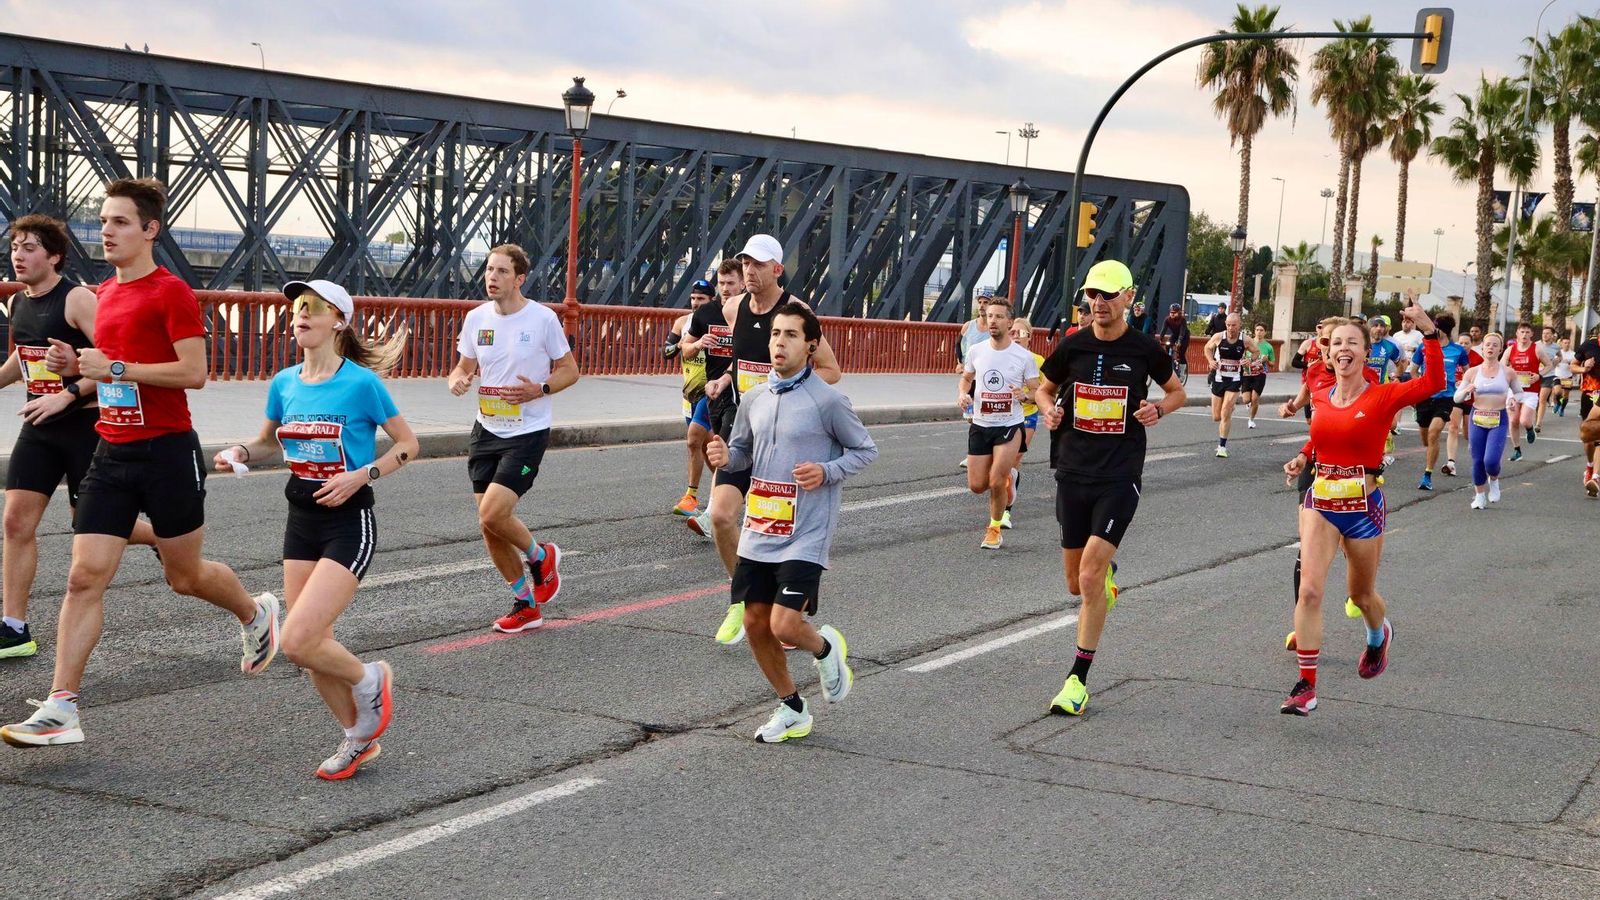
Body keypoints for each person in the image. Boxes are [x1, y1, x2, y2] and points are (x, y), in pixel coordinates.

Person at [1, 178, 279, 748]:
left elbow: (194, 373)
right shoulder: (104, 295)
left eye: (120, 222)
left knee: (185, 576)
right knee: (83, 576)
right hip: (110, 449)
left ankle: (255, 613)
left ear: (150, 230)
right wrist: (73, 365)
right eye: (103, 221)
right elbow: (99, 368)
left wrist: (116, 370)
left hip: (167, 450)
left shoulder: (169, 291)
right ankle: (62, 707)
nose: (106, 230)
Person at [216, 279, 418, 780]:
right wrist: (241, 452)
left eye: (314, 309)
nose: (301, 316)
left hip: (349, 520)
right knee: (311, 647)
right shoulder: (284, 383)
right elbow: (266, 443)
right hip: (301, 518)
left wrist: (361, 474)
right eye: (297, 308)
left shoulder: (361, 384)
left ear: (339, 322)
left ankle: (371, 678)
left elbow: (409, 444)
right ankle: (357, 738)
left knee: (301, 639)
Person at [703, 301, 876, 743]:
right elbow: (744, 452)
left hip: (806, 531)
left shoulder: (828, 400)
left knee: (783, 625)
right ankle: (792, 708)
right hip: (761, 527)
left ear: (811, 345)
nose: (779, 342)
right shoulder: (756, 396)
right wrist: (726, 457)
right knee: (755, 624)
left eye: (791, 335)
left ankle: (824, 647)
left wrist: (826, 471)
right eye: (775, 334)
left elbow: (865, 450)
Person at [1, 215, 158, 659]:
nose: (19, 255)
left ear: (53, 256)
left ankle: (166, 540)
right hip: (40, 425)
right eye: (15, 247)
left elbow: (114, 359)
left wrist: (67, 395)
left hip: (85, 426)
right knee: (15, 522)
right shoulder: (19, 304)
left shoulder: (76, 299)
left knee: (93, 523)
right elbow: (24, 358)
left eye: (30, 247)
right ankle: (14, 627)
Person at [1278, 300, 1443, 716]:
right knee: (1311, 589)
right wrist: (1304, 455)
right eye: (1336, 343)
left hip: (1363, 505)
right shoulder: (1318, 388)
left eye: (1353, 341)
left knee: (1361, 594)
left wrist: (1429, 333)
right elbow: (1326, 433)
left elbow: (1434, 382)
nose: (1343, 348)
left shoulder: (1384, 395)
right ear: (1328, 352)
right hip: (1321, 499)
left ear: (1366, 352)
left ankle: (1377, 635)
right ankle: (1306, 686)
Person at [1035, 260, 1185, 716]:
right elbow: (1044, 389)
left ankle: (1077, 680)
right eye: (1091, 296)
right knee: (1074, 585)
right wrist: (1049, 411)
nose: (1097, 303)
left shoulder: (1144, 348)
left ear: (1128, 298)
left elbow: (1176, 391)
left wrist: (1159, 410)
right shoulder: (1073, 345)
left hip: (1119, 474)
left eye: (1107, 295)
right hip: (1073, 471)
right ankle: (1106, 577)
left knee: (1088, 575)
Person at [699, 235, 843, 646]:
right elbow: (742, 357)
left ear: (777, 269)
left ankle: (786, 611)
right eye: (745, 262)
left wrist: (790, 392)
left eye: (758, 264)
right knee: (722, 515)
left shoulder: (797, 313)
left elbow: (831, 371)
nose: (749, 270)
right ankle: (740, 600)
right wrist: (728, 377)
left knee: (781, 528)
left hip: (784, 439)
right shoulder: (732, 307)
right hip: (744, 432)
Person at [447, 244, 578, 633]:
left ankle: (541, 556)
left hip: (527, 431)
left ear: (520, 278)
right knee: (489, 526)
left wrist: (541, 388)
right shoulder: (475, 319)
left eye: (502, 271)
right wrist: (458, 380)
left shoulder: (542, 319)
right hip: (486, 427)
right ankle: (525, 603)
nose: (492, 277)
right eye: (489, 270)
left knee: (492, 512)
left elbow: (570, 371)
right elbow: (463, 366)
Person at [960, 297, 1040, 548]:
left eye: (998, 317)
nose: (992, 320)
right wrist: (962, 393)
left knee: (996, 480)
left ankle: (994, 529)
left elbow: (1038, 392)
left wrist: (1025, 395)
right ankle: (1005, 480)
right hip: (981, 424)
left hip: (1009, 425)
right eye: (989, 316)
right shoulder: (976, 351)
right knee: (977, 485)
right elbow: (966, 379)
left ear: (1009, 322)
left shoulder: (1023, 357)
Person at [684, 260, 742, 538]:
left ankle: (711, 513)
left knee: (721, 448)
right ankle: (726, 496)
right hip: (713, 392)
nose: (726, 288)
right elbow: (684, 350)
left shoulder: (750, 312)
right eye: (722, 283)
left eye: (731, 283)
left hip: (742, 393)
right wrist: (697, 344)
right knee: (705, 442)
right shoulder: (706, 312)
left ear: (742, 283)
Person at [1454, 331, 1525, 510]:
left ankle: (1494, 480)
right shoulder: (1472, 372)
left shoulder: (1508, 372)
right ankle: (1479, 496)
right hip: (1477, 418)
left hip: (1498, 419)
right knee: (1477, 460)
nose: (1491, 348)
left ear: (1500, 349)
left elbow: (1519, 393)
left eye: (1495, 345)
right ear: (1483, 348)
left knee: (1491, 461)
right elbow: (1457, 398)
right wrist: (1466, 390)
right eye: (1488, 345)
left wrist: (1512, 398)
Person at [664, 279, 715, 518]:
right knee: (704, 448)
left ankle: (691, 497)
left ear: (711, 301)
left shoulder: (718, 324)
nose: (696, 303)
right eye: (693, 298)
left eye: (701, 299)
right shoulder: (682, 322)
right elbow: (666, 352)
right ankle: (727, 491)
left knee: (693, 440)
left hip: (709, 392)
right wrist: (682, 345)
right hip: (688, 394)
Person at [1410, 314, 1475, 491]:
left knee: (1433, 433)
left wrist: (1465, 385)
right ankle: (1431, 453)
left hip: (1446, 398)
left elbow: (1468, 373)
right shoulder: (1424, 346)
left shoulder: (1458, 350)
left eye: (1434, 327)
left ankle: (1427, 475)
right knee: (1426, 437)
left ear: (1441, 330)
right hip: (1425, 397)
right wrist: (1418, 386)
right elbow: (1413, 370)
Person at [1007, 317, 1047, 529]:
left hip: (1027, 415)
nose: (1016, 337)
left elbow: (1047, 391)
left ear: (1029, 337)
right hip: (1002, 417)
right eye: (1012, 332)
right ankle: (1005, 485)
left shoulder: (1038, 361)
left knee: (1015, 457)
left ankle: (1005, 511)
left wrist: (1027, 396)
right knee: (996, 468)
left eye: (1021, 333)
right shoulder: (1000, 358)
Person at [1203, 312, 1252, 458]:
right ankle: (1229, 408)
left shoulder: (1245, 340)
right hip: (1218, 379)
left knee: (1225, 411)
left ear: (1239, 325)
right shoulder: (1219, 337)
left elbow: (1255, 352)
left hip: (1235, 379)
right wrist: (1211, 360)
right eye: (1229, 325)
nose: (1231, 328)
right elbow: (1207, 348)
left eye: (1234, 325)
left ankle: (1222, 447)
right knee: (1216, 417)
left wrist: (1249, 359)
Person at [1501, 322, 1547, 460]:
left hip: (1530, 391)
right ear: (1517, 334)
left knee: (1524, 420)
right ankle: (1517, 450)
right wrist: (1509, 373)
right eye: (1522, 332)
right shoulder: (1510, 349)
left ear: (1532, 334)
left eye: (1527, 332)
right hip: (1514, 390)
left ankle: (1529, 428)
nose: (1524, 335)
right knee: (1513, 420)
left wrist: (1539, 375)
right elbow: (1502, 365)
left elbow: (1549, 365)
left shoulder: (1536, 349)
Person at [1574, 330, 1600, 495]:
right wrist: (1584, 368)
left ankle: (1596, 477)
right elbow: (1572, 366)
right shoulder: (1589, 345)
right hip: (1590, 394)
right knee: (1588, 436)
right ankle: (1590, 466)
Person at [1240, 323, 1274, 427]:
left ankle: (1251, 419)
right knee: (1246, 399)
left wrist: (1267, 359)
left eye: (1261, 330)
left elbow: (1272, 363)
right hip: (1247, 373)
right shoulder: (1248, 343)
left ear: (1265, 332)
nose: (1259, 332)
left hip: (1260, 374)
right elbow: (1240, 355)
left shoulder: (1268, 347)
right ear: (1254, 331)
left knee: (1255, 398)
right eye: (1257, 330)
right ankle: (1248, 403)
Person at [1535, 325, 1562, 432]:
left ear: (1552, 335)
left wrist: (1557, 360)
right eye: (1543, 333)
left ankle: (1538, 424)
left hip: (1549, 375)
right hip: (1536, 375)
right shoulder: (1536, 345)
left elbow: (1560, 356)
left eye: (1547, 333)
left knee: (1542, 400)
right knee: (1535, 400)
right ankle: (1535, 417)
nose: (1545, 335)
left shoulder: (1556, 347)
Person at [1550, 337, 1576, 418]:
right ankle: (1558, 403)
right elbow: (1552, 363)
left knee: (1565, 395)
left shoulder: (1573, 354)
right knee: (1557, 392)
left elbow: (1575, 364)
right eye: (1565, 343)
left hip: (1568, 376)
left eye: (1568, 343)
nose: (1567, 344)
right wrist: (1556, 362)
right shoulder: (1557, 353)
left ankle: (1562, 409)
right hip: (1558, 375)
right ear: (1561, 344)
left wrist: (1570, 363)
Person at [1158, 304, 1189, 369]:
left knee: (1181, 354)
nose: (1172, 314)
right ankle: (1170, 361)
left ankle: (1183, 371)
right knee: (1167, 346)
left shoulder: (1182, 319)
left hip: (1184, 336)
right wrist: (1160, 339)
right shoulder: (1167, 319)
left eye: (1174, 313)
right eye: (1171, 312)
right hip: (1175, 335)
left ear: (1178, 312)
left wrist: (1179, 341)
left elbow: (1182, 331)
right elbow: (1163, 329)